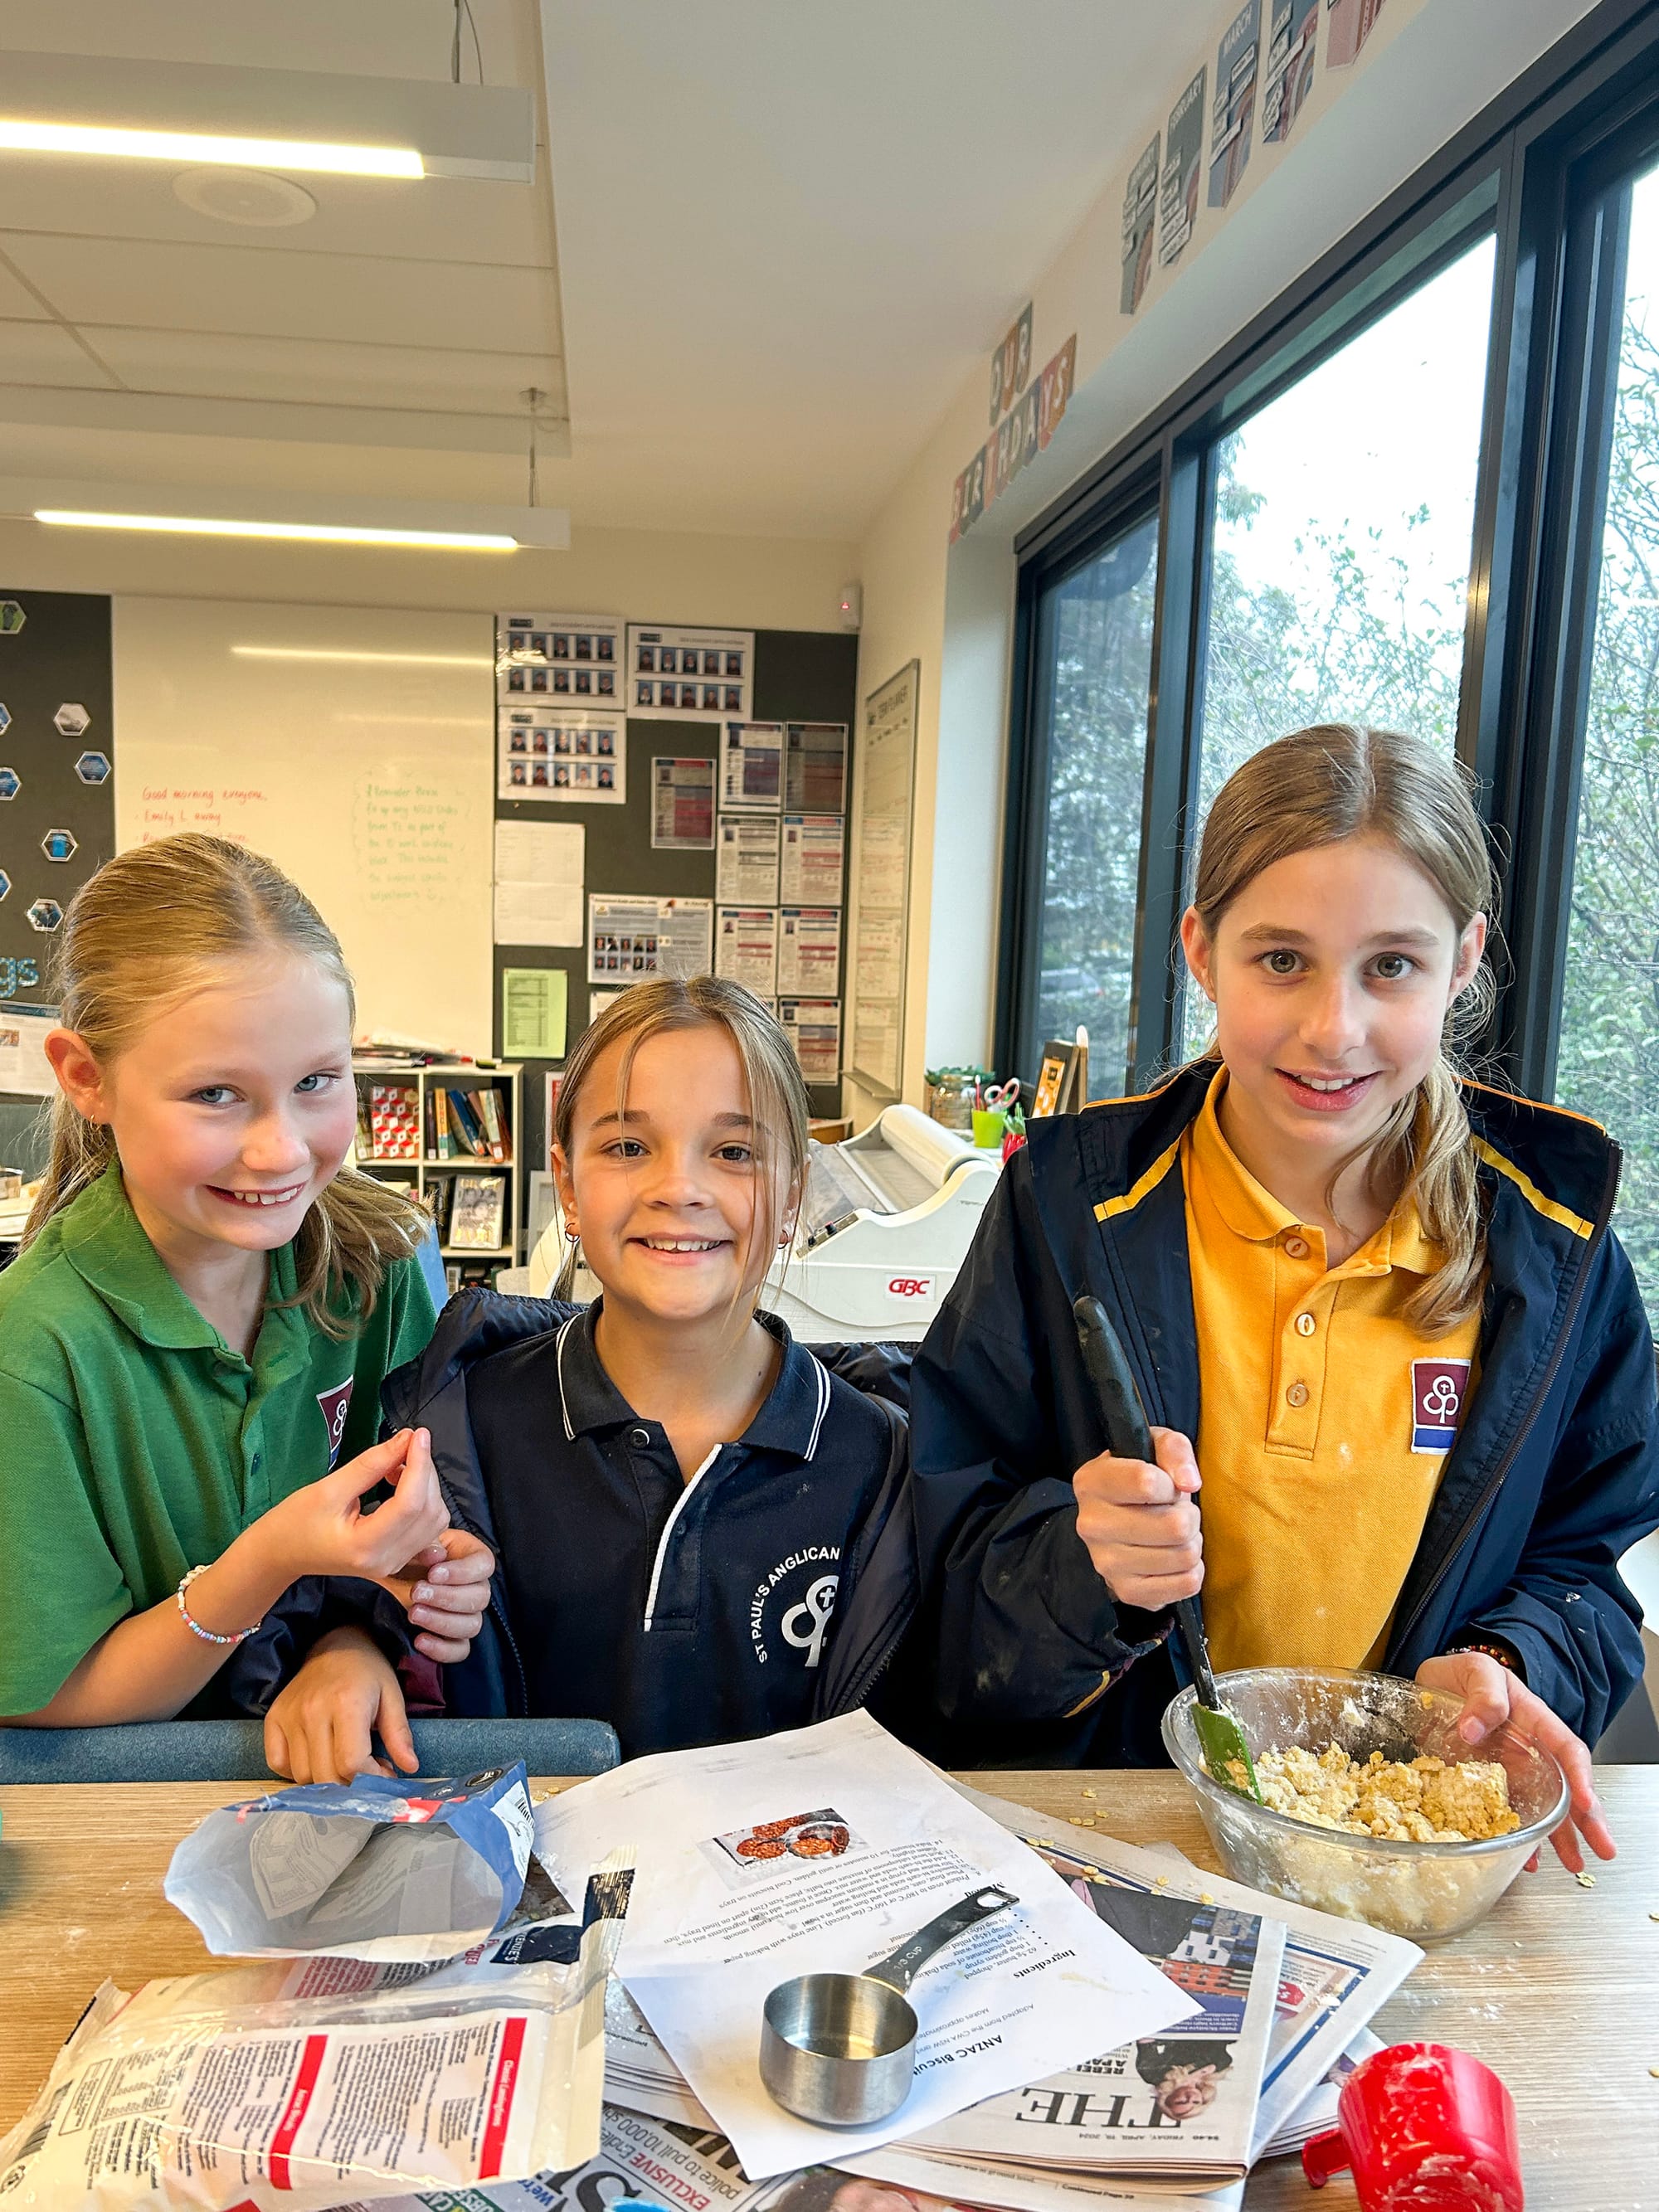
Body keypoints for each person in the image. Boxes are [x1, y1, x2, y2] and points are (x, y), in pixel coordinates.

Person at [912, 725, 1657, 1872]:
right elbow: (940, 1563)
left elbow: (1586, 1565)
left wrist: (1510, 1666)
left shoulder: (1553, 1244)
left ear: (1464, 959)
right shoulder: (1065, 1206)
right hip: (1118, 1838)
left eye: (1390, 966)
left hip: (1398, 1856)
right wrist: (1079, 1566)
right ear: (1200, 952)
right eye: (1280, 960)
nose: (1332, 1030)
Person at [264, 977, 917, 1781]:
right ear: (568, 1187)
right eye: (629, 1147)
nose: (678, 1188)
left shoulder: (879, 1461)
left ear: (792, 1199)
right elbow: (361, 1601)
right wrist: (345, 1651)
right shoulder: (457, 1428)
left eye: (733, 1152)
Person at [0, 835, 492, 1729]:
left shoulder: (380, 1266)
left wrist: (362, 1638)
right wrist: (268, 1562)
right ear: (86, 1078)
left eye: (317, 1081)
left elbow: (419, 1549)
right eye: (215, 1095)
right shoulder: (33, 1349)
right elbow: (50, 1698)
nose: (280, 1151)